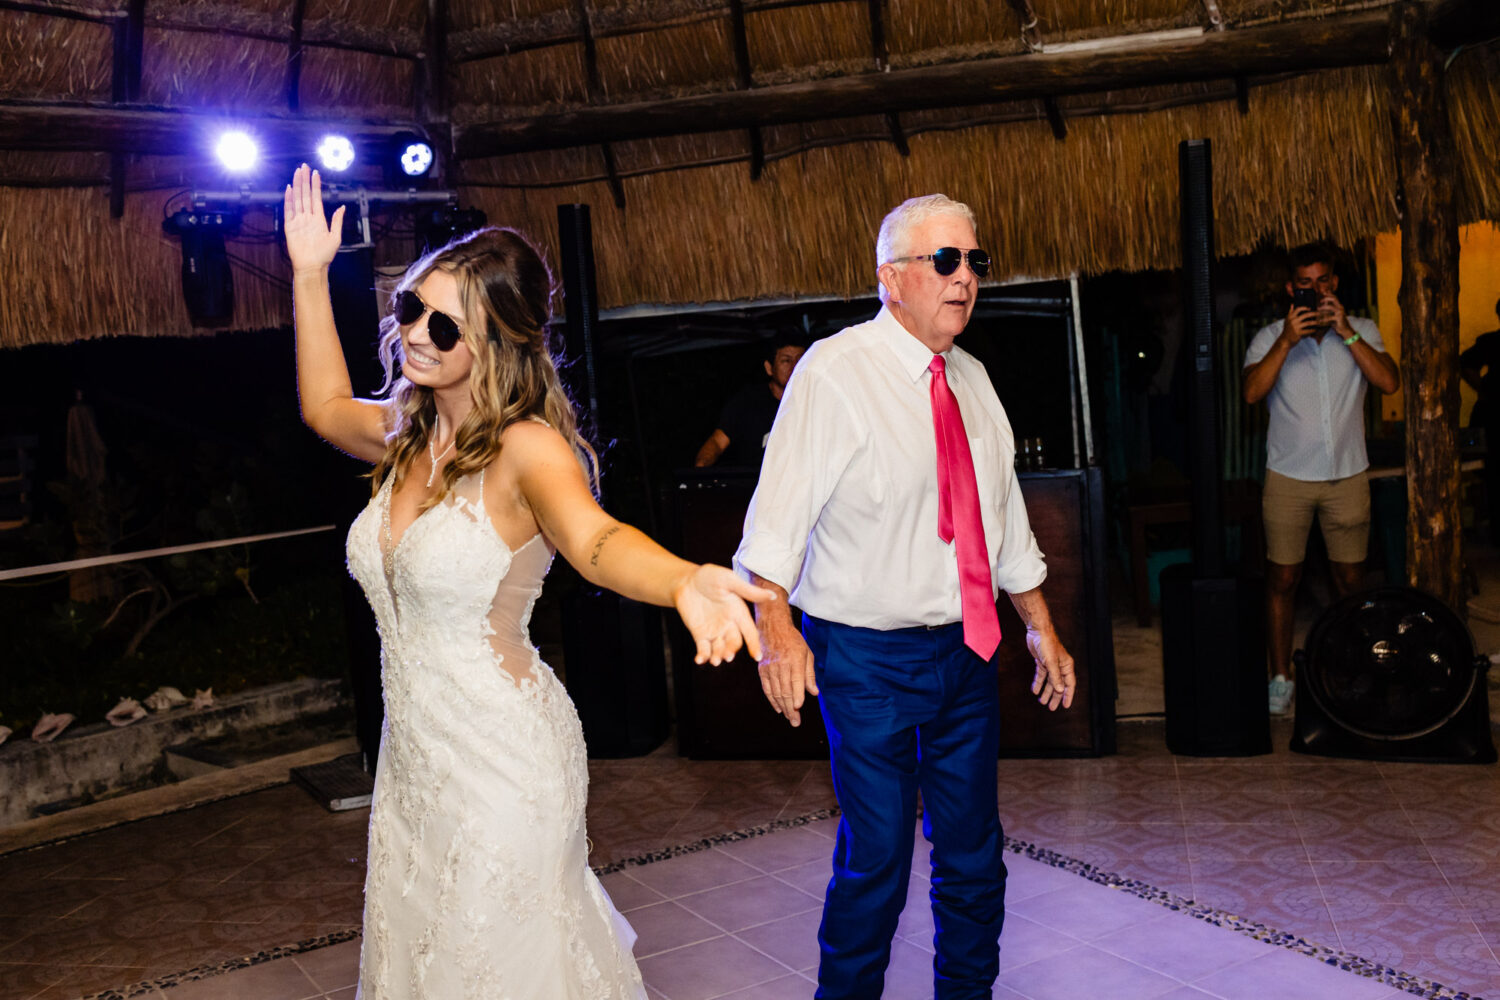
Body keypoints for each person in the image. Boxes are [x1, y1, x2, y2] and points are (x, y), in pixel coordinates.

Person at [281, 165, 771, 998]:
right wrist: (306, 275)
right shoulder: (406, 432)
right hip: (414, 766)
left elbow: (598, 541)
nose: (417, 334)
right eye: (410, 309)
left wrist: (686, 580)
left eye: (446, 323)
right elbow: (326, 406)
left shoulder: (529, 448)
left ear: (501, 339)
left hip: (506, 762)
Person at [734, 194, 1077, 1000]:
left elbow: (1003, 519)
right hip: (864, 658)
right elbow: (775, 521)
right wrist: (776, 630)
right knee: (878, 858)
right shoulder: (835, 371)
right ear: (891, 278)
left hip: (968, 649)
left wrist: (1040, 630)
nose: (966, 278)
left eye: (975, 262)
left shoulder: (974, 379)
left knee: (972, 854)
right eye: (945, 261)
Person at [1242, 242, 1400, 716]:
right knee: (1283, 578)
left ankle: (1349, 666)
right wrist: (1287, 342)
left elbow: (1389, 382)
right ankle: (1279, 676)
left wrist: (1347, 331)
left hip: (1347, 474)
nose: (1317, 291)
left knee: (1351, 579)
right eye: (1306, 284)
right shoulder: (1269, 336)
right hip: (1288, 476)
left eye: (1324, 281)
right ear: (1292, 290)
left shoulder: (1363, 330)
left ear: (1334, 283)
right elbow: (1251, 392)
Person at [693, 334, 806, 467]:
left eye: (800, 361)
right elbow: (718, 442)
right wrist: (700, 469)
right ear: (769, 368)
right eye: (786, 361)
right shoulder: (748, 401)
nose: (794, 367)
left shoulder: (814, 400)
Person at [1459, 298, 1500, 543]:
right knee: (1494, 477)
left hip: (1491, 416)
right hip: (1494, 419)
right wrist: (1484, 388)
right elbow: (1465, 363)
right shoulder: (1492, 342)